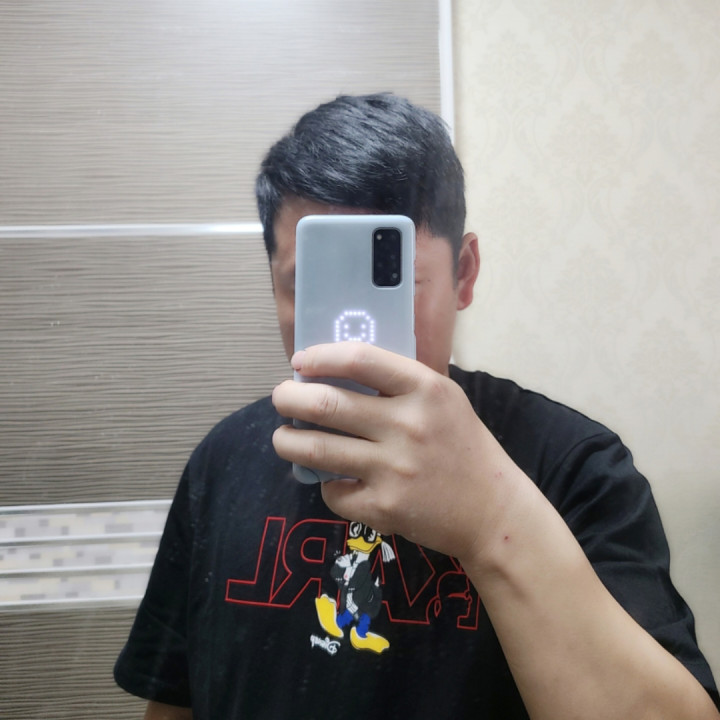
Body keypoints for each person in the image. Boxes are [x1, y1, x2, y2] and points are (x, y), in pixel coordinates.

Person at [114, 93, 720, 720]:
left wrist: (493, 521)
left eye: (390, 282)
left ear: (464, 274)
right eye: (308, 284)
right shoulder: (222, 460)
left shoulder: (575, 465)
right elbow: (174, 702)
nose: (352, 334)